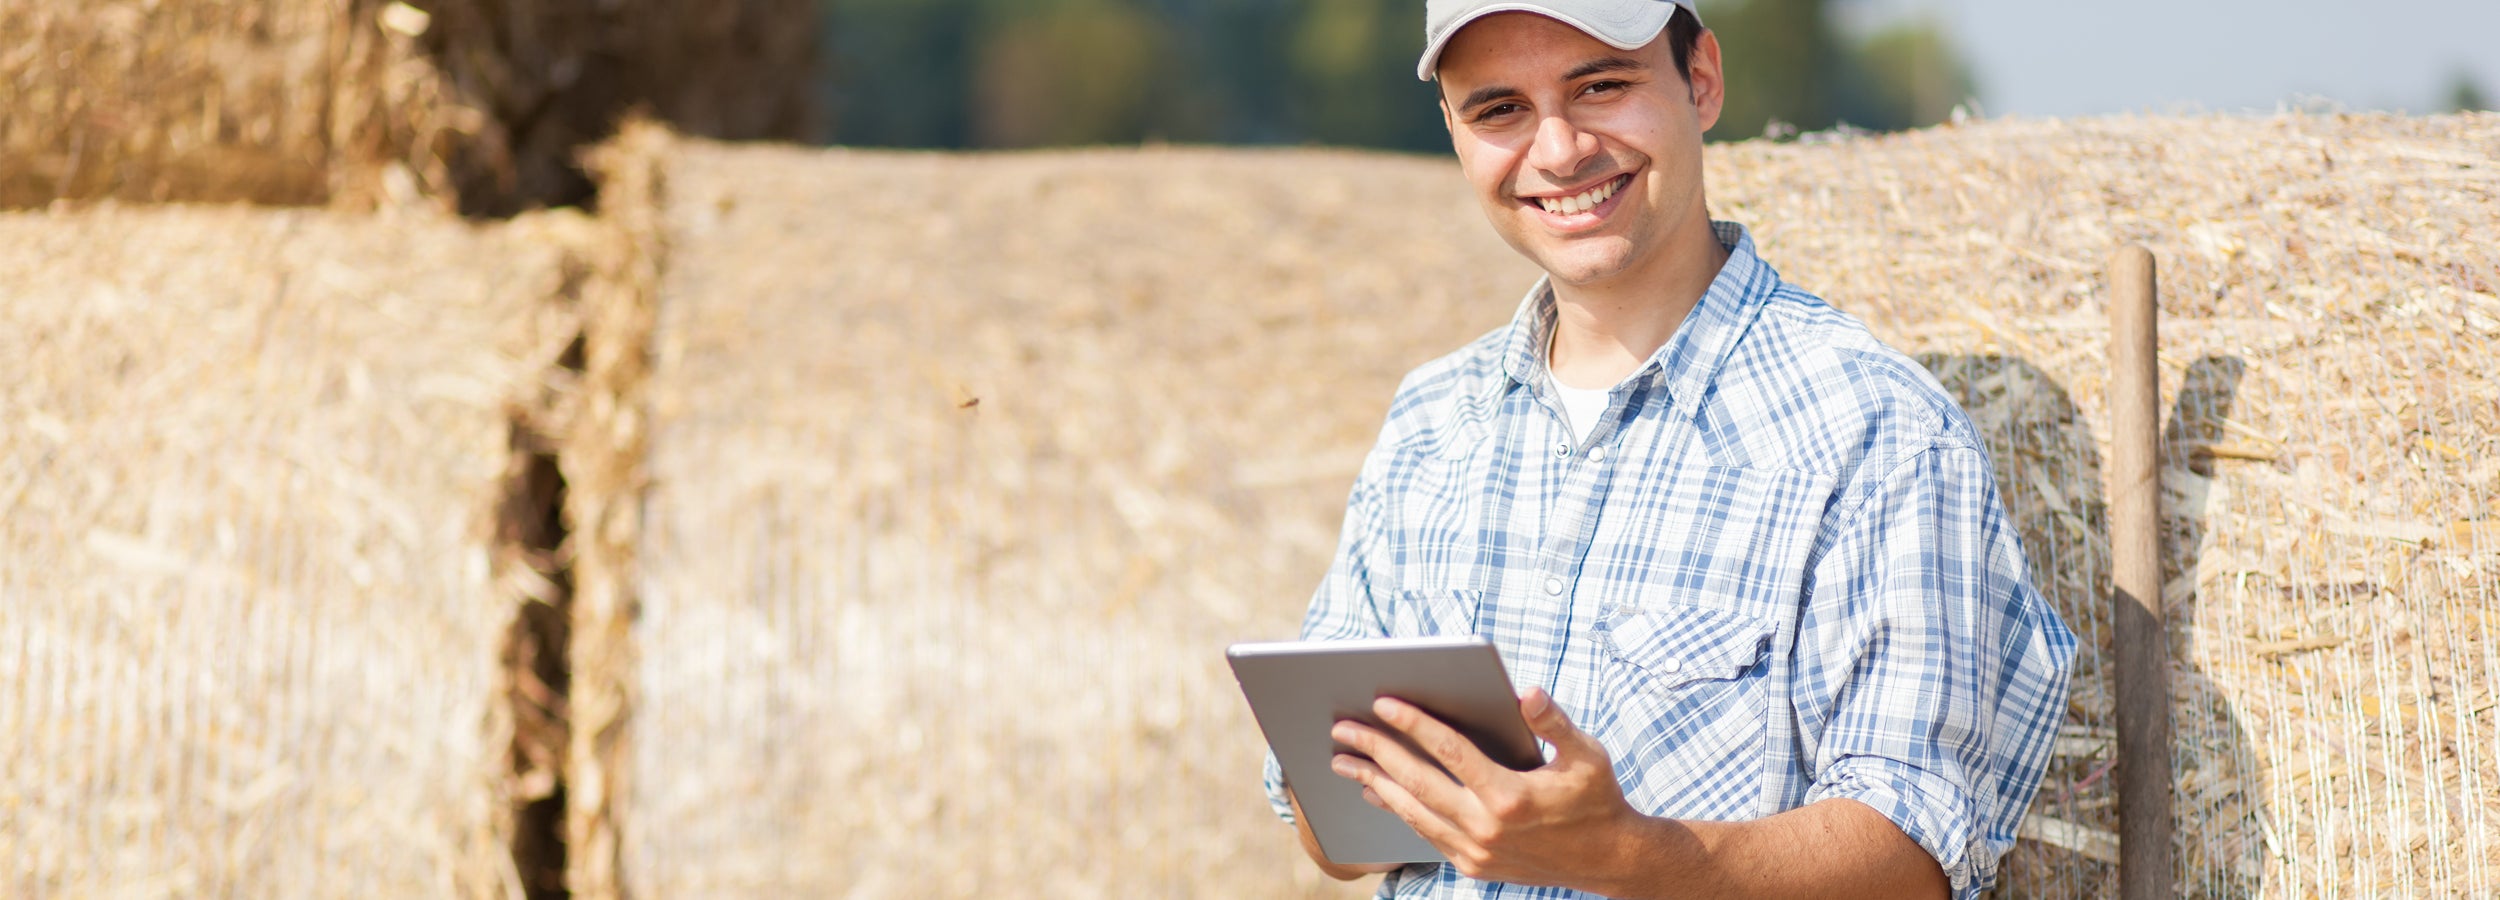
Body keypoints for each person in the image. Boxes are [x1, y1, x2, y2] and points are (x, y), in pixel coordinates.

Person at [1259, 1, 2076, 897]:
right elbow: (1332, 835)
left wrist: (1623, 853)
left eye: (1600, 87)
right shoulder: (1430, 422)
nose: (1559, 150)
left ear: (1702, 80)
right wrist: (1366, 787)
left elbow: (1911, 858)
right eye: (1500, 109)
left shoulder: (1875, 430)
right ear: (1453, 130)